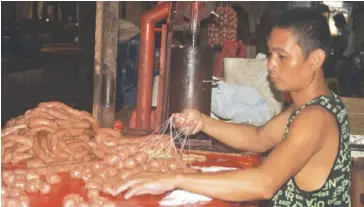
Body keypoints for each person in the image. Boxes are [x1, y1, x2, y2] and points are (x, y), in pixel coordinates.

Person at [114, 8, 352, 206]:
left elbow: (264, 183)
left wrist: (175, 178)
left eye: (282, 56)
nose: (270, 65)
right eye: (270, 54)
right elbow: (259, 137)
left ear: (315, 60)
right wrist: (203, 122)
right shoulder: (311, 105)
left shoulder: (315, 118)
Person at [333, 13, 356, 96]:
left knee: (344, 79)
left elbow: (350, 48)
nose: (335, 24)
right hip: (343, 57)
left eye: (335, 22)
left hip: (346, 59)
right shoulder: (343, 31)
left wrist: (342, 58)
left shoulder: (349, 32)